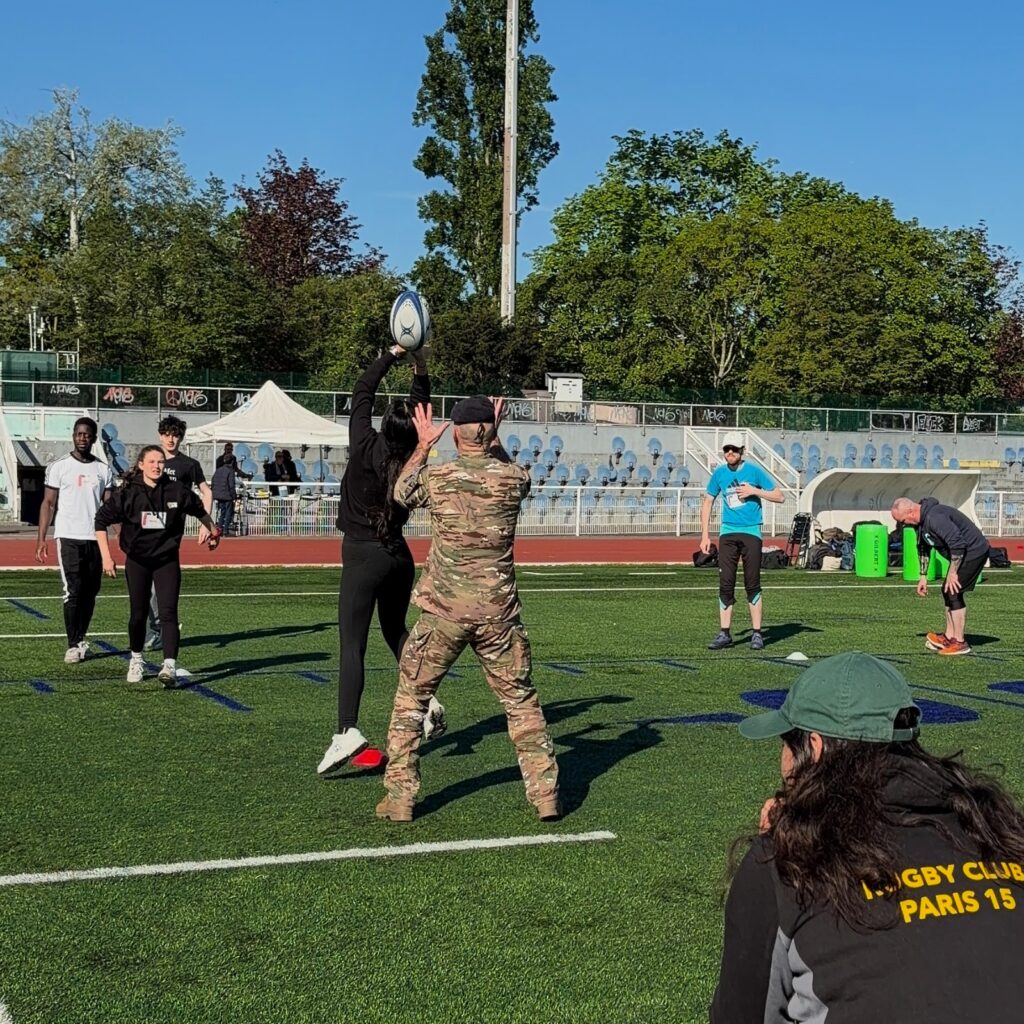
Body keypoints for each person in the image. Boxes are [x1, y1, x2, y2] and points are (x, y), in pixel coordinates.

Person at [711, 651, 1024, 1022]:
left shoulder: (784, 863)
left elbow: (738, 1015)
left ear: (814, 748)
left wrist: (777, 849)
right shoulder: (998, 830)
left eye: (786, 742)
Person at [376, 396, 560, 824]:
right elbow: (517, 476)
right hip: (499, 615)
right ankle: (546, 795)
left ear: (456, 435)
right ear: (491, 433)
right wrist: (494, 437)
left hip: (444, 613)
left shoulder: (439, 476)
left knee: (411, 701)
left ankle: (400, 797)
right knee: (521, 703)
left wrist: (423, 445)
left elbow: (401, 492)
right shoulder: (513, 478)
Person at [317, 343, 439, 774]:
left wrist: (392, 354)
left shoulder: (364, 445)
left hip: (362, 555)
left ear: (384, 426)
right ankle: (428, 701)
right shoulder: (412, 460)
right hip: (398, 556)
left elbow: (362, 390)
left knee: (352, 645)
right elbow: (416, 413)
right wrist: (421, 368)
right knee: (395, 631)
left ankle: (346, 730)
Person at [95, 445, 221, 687]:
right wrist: (106, 557)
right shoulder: (128, 493)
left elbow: (199, 511)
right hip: (138, 561)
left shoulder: (177, 490)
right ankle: (136, 659)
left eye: (161, 462)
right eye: (151, 461)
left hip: (167, 560)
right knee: (138, 614)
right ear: (141, 465)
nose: (156, 466)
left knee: (168, 613)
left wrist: (213, 531)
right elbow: (100, 521)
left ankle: (169, 665)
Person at [34, 417, 115, 663]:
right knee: (73, 589)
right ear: (73, 436)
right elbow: (48, 503)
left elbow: (110, 507)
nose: (82, 438)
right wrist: (41, 538)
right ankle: (73, 644)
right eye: (79, 434)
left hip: (95, 538)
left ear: (93, 438)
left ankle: (80, 639)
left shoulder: (103, 470)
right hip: (68, 536)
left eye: (87, 434)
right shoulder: (59, 467)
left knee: (91, 591)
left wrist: (124, 535)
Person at [700, 431, 784, 651]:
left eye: (734, 449)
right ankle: (724, 633)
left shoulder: (754, 471)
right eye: (726, 449)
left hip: (751, 533)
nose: (730, 452)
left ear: (742, 451)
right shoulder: (719, 473)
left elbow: (780, 496)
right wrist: (705, 535)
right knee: (726, 583)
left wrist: (754, 491)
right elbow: (708, 501)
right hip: (728, 533)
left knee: (752, 583)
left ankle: (757, 633)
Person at [145, 415, 212, 651]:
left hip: (171, 532)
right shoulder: (151, 459)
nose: (170, 439)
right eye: (166, 434)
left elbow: (206, 491)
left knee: (160, 582)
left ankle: (160, 629)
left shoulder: (188, 465)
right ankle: (158, 628)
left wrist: (206, 523)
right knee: (144, 583)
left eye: (175, 435)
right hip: (146, 529)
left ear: (181, 438)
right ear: (160, 435)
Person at [891, 496, 990, 656]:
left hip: (974, 552)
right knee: (947, 590)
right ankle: (949, 637)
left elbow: (957, 544)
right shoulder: (920, 524)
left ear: (910, 512)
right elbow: (923, 547)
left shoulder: (935, 518)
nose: (903, 525)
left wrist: (952, 572)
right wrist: (923, 576)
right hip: (962, 553)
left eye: (902, 521)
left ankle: (959, 642)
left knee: (953, 591)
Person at [211, 456, 239, 536]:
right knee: (228, 513)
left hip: (218, 495)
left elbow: (213, 481)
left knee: (222, 513)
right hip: (227, 495)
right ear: (232, 462)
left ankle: (219, 530)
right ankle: (226, 531)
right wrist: (234, 495)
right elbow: (231, 485)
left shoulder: (218, 470)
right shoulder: (230, 471)